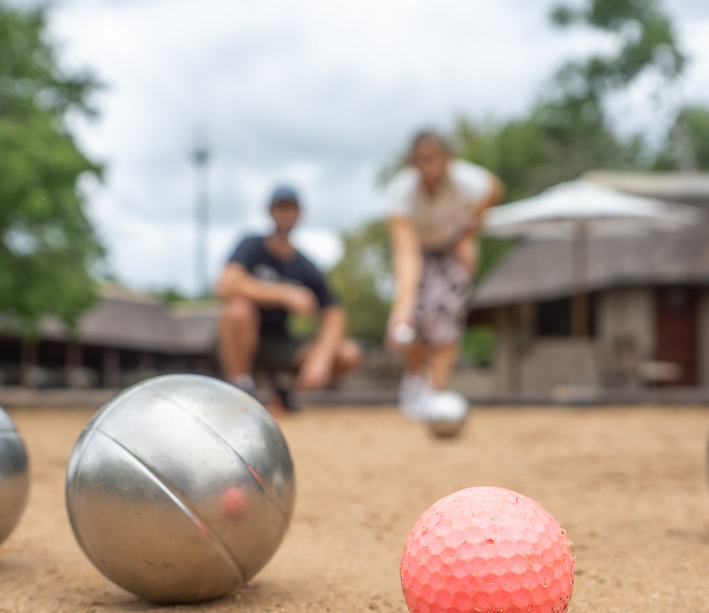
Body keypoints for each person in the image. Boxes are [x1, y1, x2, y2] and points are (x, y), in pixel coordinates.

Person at [385, 130, 504, 420]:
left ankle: (433, 396)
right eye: (421, 160)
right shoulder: (401, 192)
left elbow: (495, 189)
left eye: (434, 159)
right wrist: (402, 307)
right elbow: (406, 254)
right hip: (420, 250)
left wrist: (468, 235)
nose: (428, 167)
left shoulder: (468, 181)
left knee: (447, 316)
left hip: (451, 248)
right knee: (418, 316)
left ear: (447, 159)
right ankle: (415, 379)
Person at [216, 185, 361, 409]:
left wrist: (320, 358)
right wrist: (285, 293)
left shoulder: (306, 266)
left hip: (281, 345)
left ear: (300, 214)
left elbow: (335, 314)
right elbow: (226, 285)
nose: (285, 214)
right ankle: (240, 389)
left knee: (348, 353)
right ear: (270, 212)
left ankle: (283, 392)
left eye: (290, 208)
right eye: (280, 208)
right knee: (239, 309)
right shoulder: (251, 246)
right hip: (241, 342)